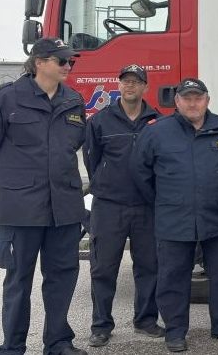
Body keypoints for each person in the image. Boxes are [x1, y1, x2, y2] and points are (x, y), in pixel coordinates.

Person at [0, 38, 89, 355]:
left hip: (64, 206)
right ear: (40, 62)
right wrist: (14, 182)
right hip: (21, 208)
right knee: (18, 280)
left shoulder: (74, 100)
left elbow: (71, 147)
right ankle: (13, 346)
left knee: (61, 277)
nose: (68, 66)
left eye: (70, 61)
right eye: (62, 61)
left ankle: (58, 342)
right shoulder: (6, 99)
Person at [132, 78, 218, 352]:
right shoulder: (156, 132)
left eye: (198, 98)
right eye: (187, 98)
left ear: (207, 100)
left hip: (216, 217)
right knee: (172, 278)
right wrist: (164, 202)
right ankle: (175, 332)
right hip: (173, 218)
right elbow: (140, 174)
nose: (193, 103)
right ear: (177, 101)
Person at [83, 64, 163, 347]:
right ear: (119, 85)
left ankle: (146, 320)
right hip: (109, 206)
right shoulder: (100, 121)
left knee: (148, 267)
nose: (130, 86)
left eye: (136, 81)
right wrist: (105, 184)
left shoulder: (157, 121)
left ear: (145, 87)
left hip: (146, 206)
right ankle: (101, 325)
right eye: (125, 81)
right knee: (103, 268)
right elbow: (91, 161)